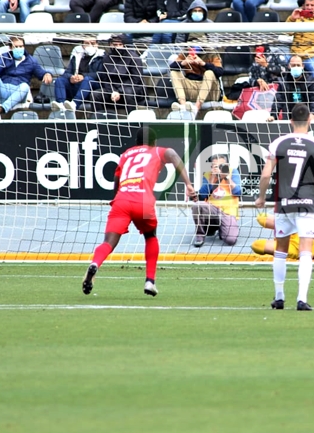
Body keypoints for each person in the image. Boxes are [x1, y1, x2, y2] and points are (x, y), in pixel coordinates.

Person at [82, 127, 195, 297]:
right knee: (150, 236)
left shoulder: (126, 154)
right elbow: (172, 154)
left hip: (121, 200)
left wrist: (115, 199)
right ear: (154, 142)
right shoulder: (156, 151)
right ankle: (150, 281)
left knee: (108, 242)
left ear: (136, 142)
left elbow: (117, 179)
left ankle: (95, 264)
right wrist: (188, 183)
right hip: (143, 201)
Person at [255, 103, 314, 311]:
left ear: (290, 121)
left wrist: (261, 197)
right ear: (310, 120)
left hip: (284, 203)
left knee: (281, 250)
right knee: (305, 251)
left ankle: (279, 297)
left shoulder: (278, 142)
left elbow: (265, 174)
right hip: (308, 203)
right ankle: (301, 299)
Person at [0, 35, 52, 114]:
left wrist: (47, 74)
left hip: (18, 93)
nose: (19, 49)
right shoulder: (4, 57)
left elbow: (41, 73)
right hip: (3, 89)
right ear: (10, 48)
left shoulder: (31, 61)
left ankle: (2, 108)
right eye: (16, 46)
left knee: (25, 86)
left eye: (21, 46)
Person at [191, 155, 242, 248]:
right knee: (197, 205)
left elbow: (238, 192)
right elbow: (203, 195)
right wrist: (212, 178)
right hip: (212, 210)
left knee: (230, 240)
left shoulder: (233, 172)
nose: (219, 168)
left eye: (221, 166)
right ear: (211, 167)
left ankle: (222, 229)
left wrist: (226, 177)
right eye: (215, 166)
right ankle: (200, 235)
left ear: (227, 165)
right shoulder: (208, 175)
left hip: (228, 212)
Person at [91, 34, 146, 114]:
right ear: (110, 45)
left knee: (128, 93)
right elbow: (105, 79)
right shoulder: (107, 58)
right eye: (115, 45)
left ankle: (134, 123)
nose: (117, 47)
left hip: (131, 88)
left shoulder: (134, 58)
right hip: (112, 90)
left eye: (120, 45)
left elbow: (136, 79)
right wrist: (112, 91)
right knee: (95, 95)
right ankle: (99, 121)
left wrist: (120, 91)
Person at [51, 37, 104, 113]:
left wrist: (83, 76)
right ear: (82, 45)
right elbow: (67, 73)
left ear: (97, 44)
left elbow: (100, 74)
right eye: (87, 43)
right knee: (60, 80)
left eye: (93, 43)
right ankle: (60, 104)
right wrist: (71, 77)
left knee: (87, 79)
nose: (90, 46)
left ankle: (74, 104)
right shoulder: (76, 55)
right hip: (76, 87)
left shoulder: (101, 57)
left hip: (93, 89)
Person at [169, 45, 223, 114]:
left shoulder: (212, 53)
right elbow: (171, 67)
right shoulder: (185, 52)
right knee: (174, 73)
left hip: (209, 91)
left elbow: (220, 72)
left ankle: (196, 107)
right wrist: (183, 62)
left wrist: (203, 64)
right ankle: (183, 106)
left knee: (209, 73)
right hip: (191, 87)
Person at [270, 55, 314, 121]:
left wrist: (312, 114)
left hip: (307, 117)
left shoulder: (310, 81)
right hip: (289, 117)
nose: (296, 67)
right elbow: (278, 101)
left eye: (298, 65)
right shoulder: (283, 82)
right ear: (289, 66)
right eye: (293, 65)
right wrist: (273, 115)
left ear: (302, 66)